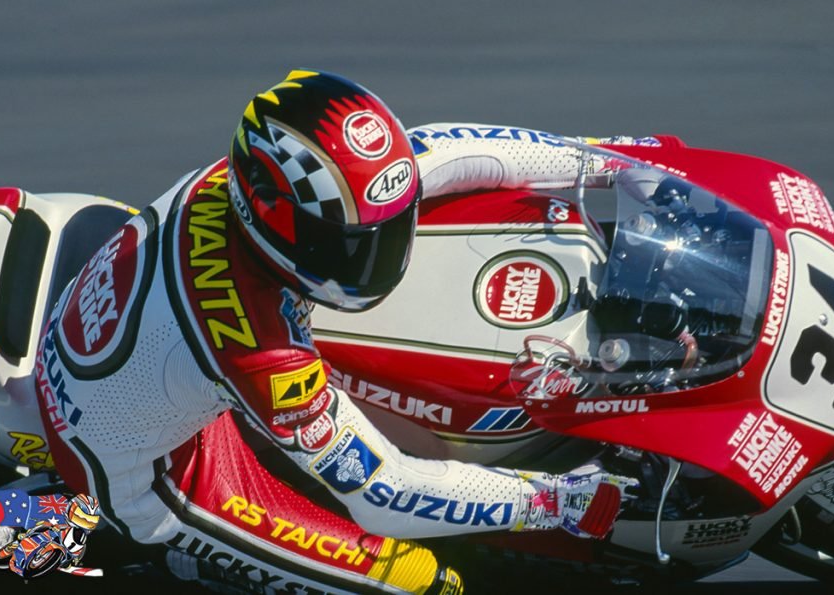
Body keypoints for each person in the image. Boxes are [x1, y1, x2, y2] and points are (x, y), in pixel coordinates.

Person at [34, 69, 636, 591]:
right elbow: (381, 491)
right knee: (421, 582)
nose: (380, 257)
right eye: (354, 248)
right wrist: (557, 501)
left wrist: (616, 161)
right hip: (162, 470)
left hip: (127, 352)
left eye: (389, 231)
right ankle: (191, 563)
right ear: (274, 219)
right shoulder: (260, 350)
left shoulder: (276, 181)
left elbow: (455, 152)